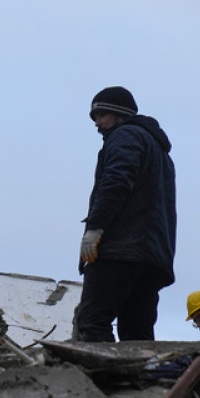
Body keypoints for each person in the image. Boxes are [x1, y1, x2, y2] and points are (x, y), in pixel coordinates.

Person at [73, 86, 177, 342]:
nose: (97, 123)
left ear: (119, 113)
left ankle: (102, 381)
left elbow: (116, 183)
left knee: (92, 321)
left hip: (120, 250)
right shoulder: (159, 151)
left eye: (101, 115)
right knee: (137, 332)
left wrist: (95, 228)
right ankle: (142, 381)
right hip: (151, 257)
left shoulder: (125, 136)